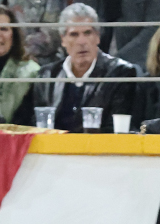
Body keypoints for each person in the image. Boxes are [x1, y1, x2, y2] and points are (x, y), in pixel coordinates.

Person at [32, 4, 138, 133]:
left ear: (97, 37)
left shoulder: (120, 73)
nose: (81, 41)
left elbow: (115, 130)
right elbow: (32, 123)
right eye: (74, 34)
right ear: (63, 40)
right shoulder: (47, 75)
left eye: (87, 33)